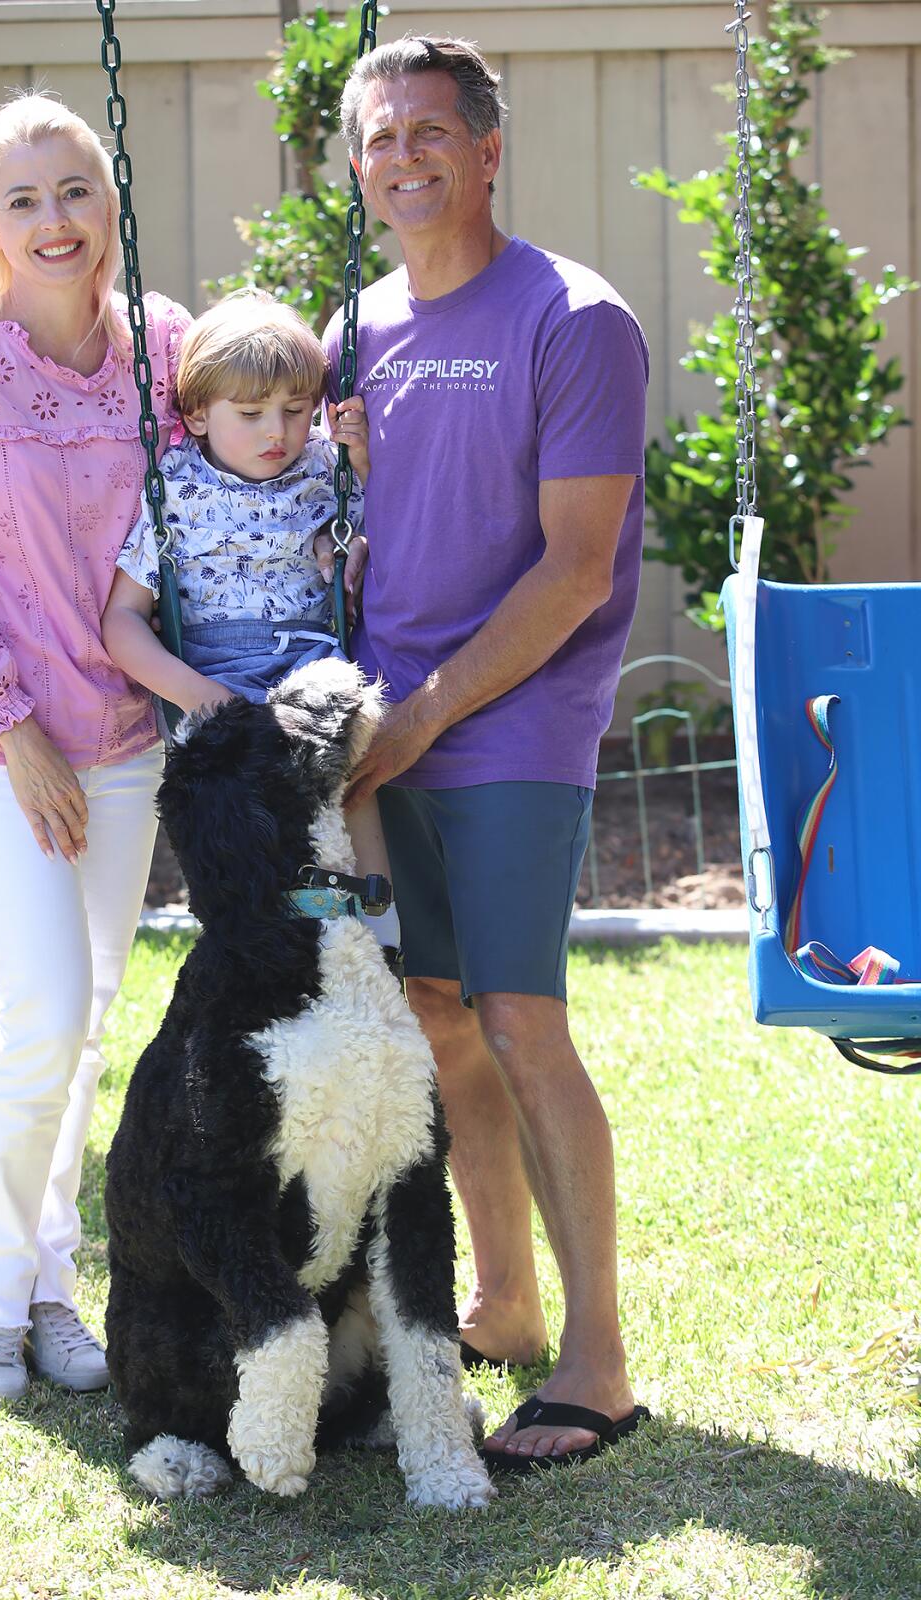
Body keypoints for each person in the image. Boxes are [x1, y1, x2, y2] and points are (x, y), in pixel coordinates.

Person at [325, 36, 650, 1469]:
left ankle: (600, 1365)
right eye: (379, 137)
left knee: (520, 1018)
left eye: (431, 133)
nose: (405, 158)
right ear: (354, 163)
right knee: (439, 1014)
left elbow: (575, 572)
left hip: (509, 721)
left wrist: (427, 714)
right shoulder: (358, 329)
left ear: (489, 147)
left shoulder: (577, 320)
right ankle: (505, 1307)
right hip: (388, 733)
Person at [0, 93, 191, 1404]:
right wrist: (13, 733)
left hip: (124, 737)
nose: (53, 219)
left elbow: (239, 464)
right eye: (24, 198)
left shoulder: (165, 349)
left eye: (74, 191)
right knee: (44, 1013)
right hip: (1, 744)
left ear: (107, 205)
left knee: (92, 1019)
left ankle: (52, 1282)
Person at [101, 290, 393, 915]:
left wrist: (348, 544)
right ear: (200, 415)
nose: (277, 432)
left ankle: (373, 910)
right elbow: (121, 622)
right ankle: (254, 916)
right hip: (212, 670)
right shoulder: (175, 488)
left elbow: (384, 535)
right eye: (252, 413)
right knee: (235, 788)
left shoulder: (326, 468)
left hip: (311, 660)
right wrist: (201, 699)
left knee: (346, 749)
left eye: (295, 410)